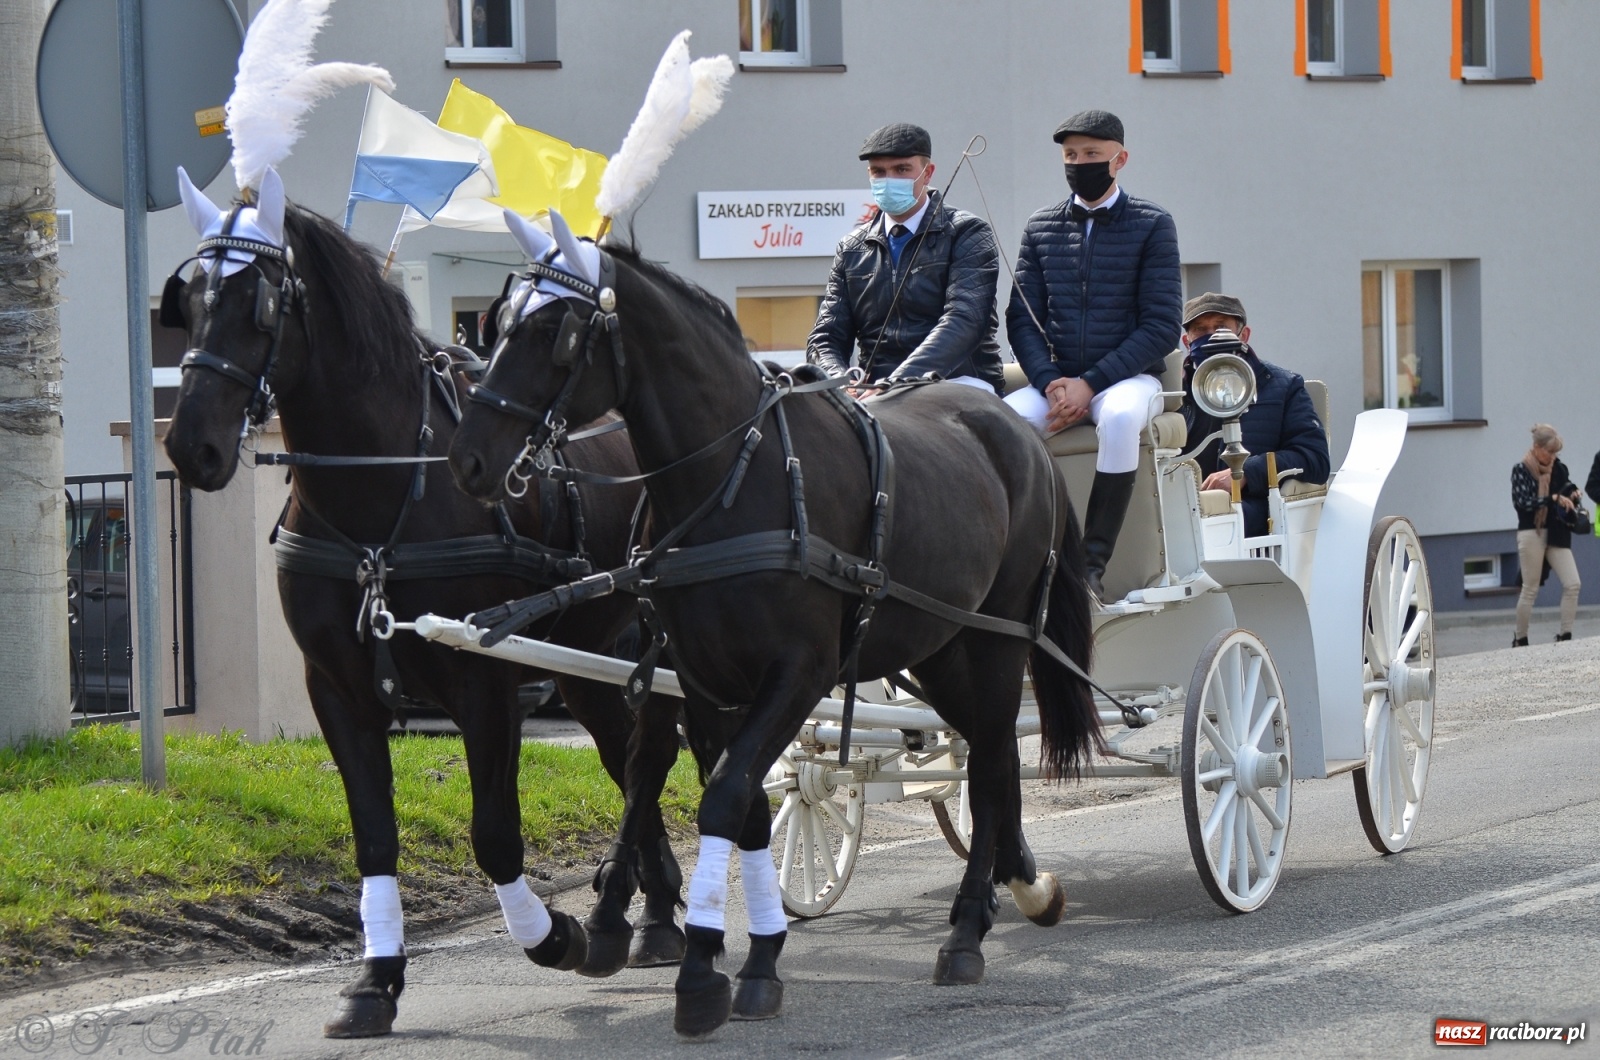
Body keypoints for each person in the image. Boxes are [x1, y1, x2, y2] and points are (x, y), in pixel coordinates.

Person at [1004, 109, 1181, 599]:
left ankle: (1091, 565)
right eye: (1071, 156)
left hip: (1128, 380)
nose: (1079, 164)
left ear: (1119, 160)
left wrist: (1092, 383)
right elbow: (1020, 318)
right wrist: (1050, 382)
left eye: (1091, 155)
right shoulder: (1040, 227)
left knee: (1121, 419)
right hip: (1055, 383)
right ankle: (1016, 557)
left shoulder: (1152, 225)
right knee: (998, 428)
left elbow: (1162, 325)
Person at [807, 122, 1004, 396]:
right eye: (879, 172)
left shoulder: (967, 232)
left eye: (901, 169)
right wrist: (841, 382)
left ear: (927, 172)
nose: (889, 180)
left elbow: (965, 319)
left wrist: (897, 382)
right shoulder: (850, 247)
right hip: (871, 393)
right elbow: (826, 336)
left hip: (957, 382)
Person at [1177, 293, 1330, 536]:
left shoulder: (1284, 387)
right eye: (1200, 329)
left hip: (1254, 518)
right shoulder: (1171, 394)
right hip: (1180, 513)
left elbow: (1315, 459)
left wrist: (1247, 472)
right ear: (1187, 340)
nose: (1210, 337)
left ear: (1243, 335)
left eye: (1220, 327)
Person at [1511, 425, 1583, 646]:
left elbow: (1566, 490)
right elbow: (1522, 503)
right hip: (1531, 532)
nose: (1552, 457)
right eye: (1549, 451)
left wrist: (1574, 494)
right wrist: (1551, 499)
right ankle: (1520, 638)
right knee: (1530, 588)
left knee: (1573, 583)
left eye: (1556, 452)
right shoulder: (1522, 469)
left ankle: (1565, 635)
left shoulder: (1559, 468)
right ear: (1536, 447)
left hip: (1556, 531)